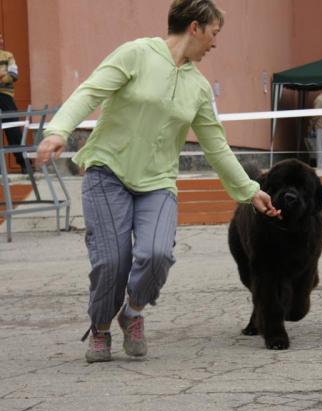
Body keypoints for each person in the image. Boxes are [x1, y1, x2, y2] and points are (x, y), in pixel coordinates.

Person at [35, 0, 281, 363]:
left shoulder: (197, 87)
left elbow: (215, 146)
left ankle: (132, 312)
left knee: (157, 253)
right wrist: (58, 131)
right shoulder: (136, 54)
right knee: (112, 261)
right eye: (214, 32)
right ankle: (100, 327)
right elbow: (90, 91)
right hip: (108, 173)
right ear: (195, 27)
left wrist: (249, 191)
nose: (216, 42)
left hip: (158, 182)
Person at [0, 33, 27, 174]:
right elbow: (7, 76)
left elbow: (14, 74)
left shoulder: (7, 55)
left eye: (1, 38)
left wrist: (5, 78)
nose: (1, 40)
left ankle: (23, 163)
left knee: (13, 128)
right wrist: (3, 76)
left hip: (5, 94)